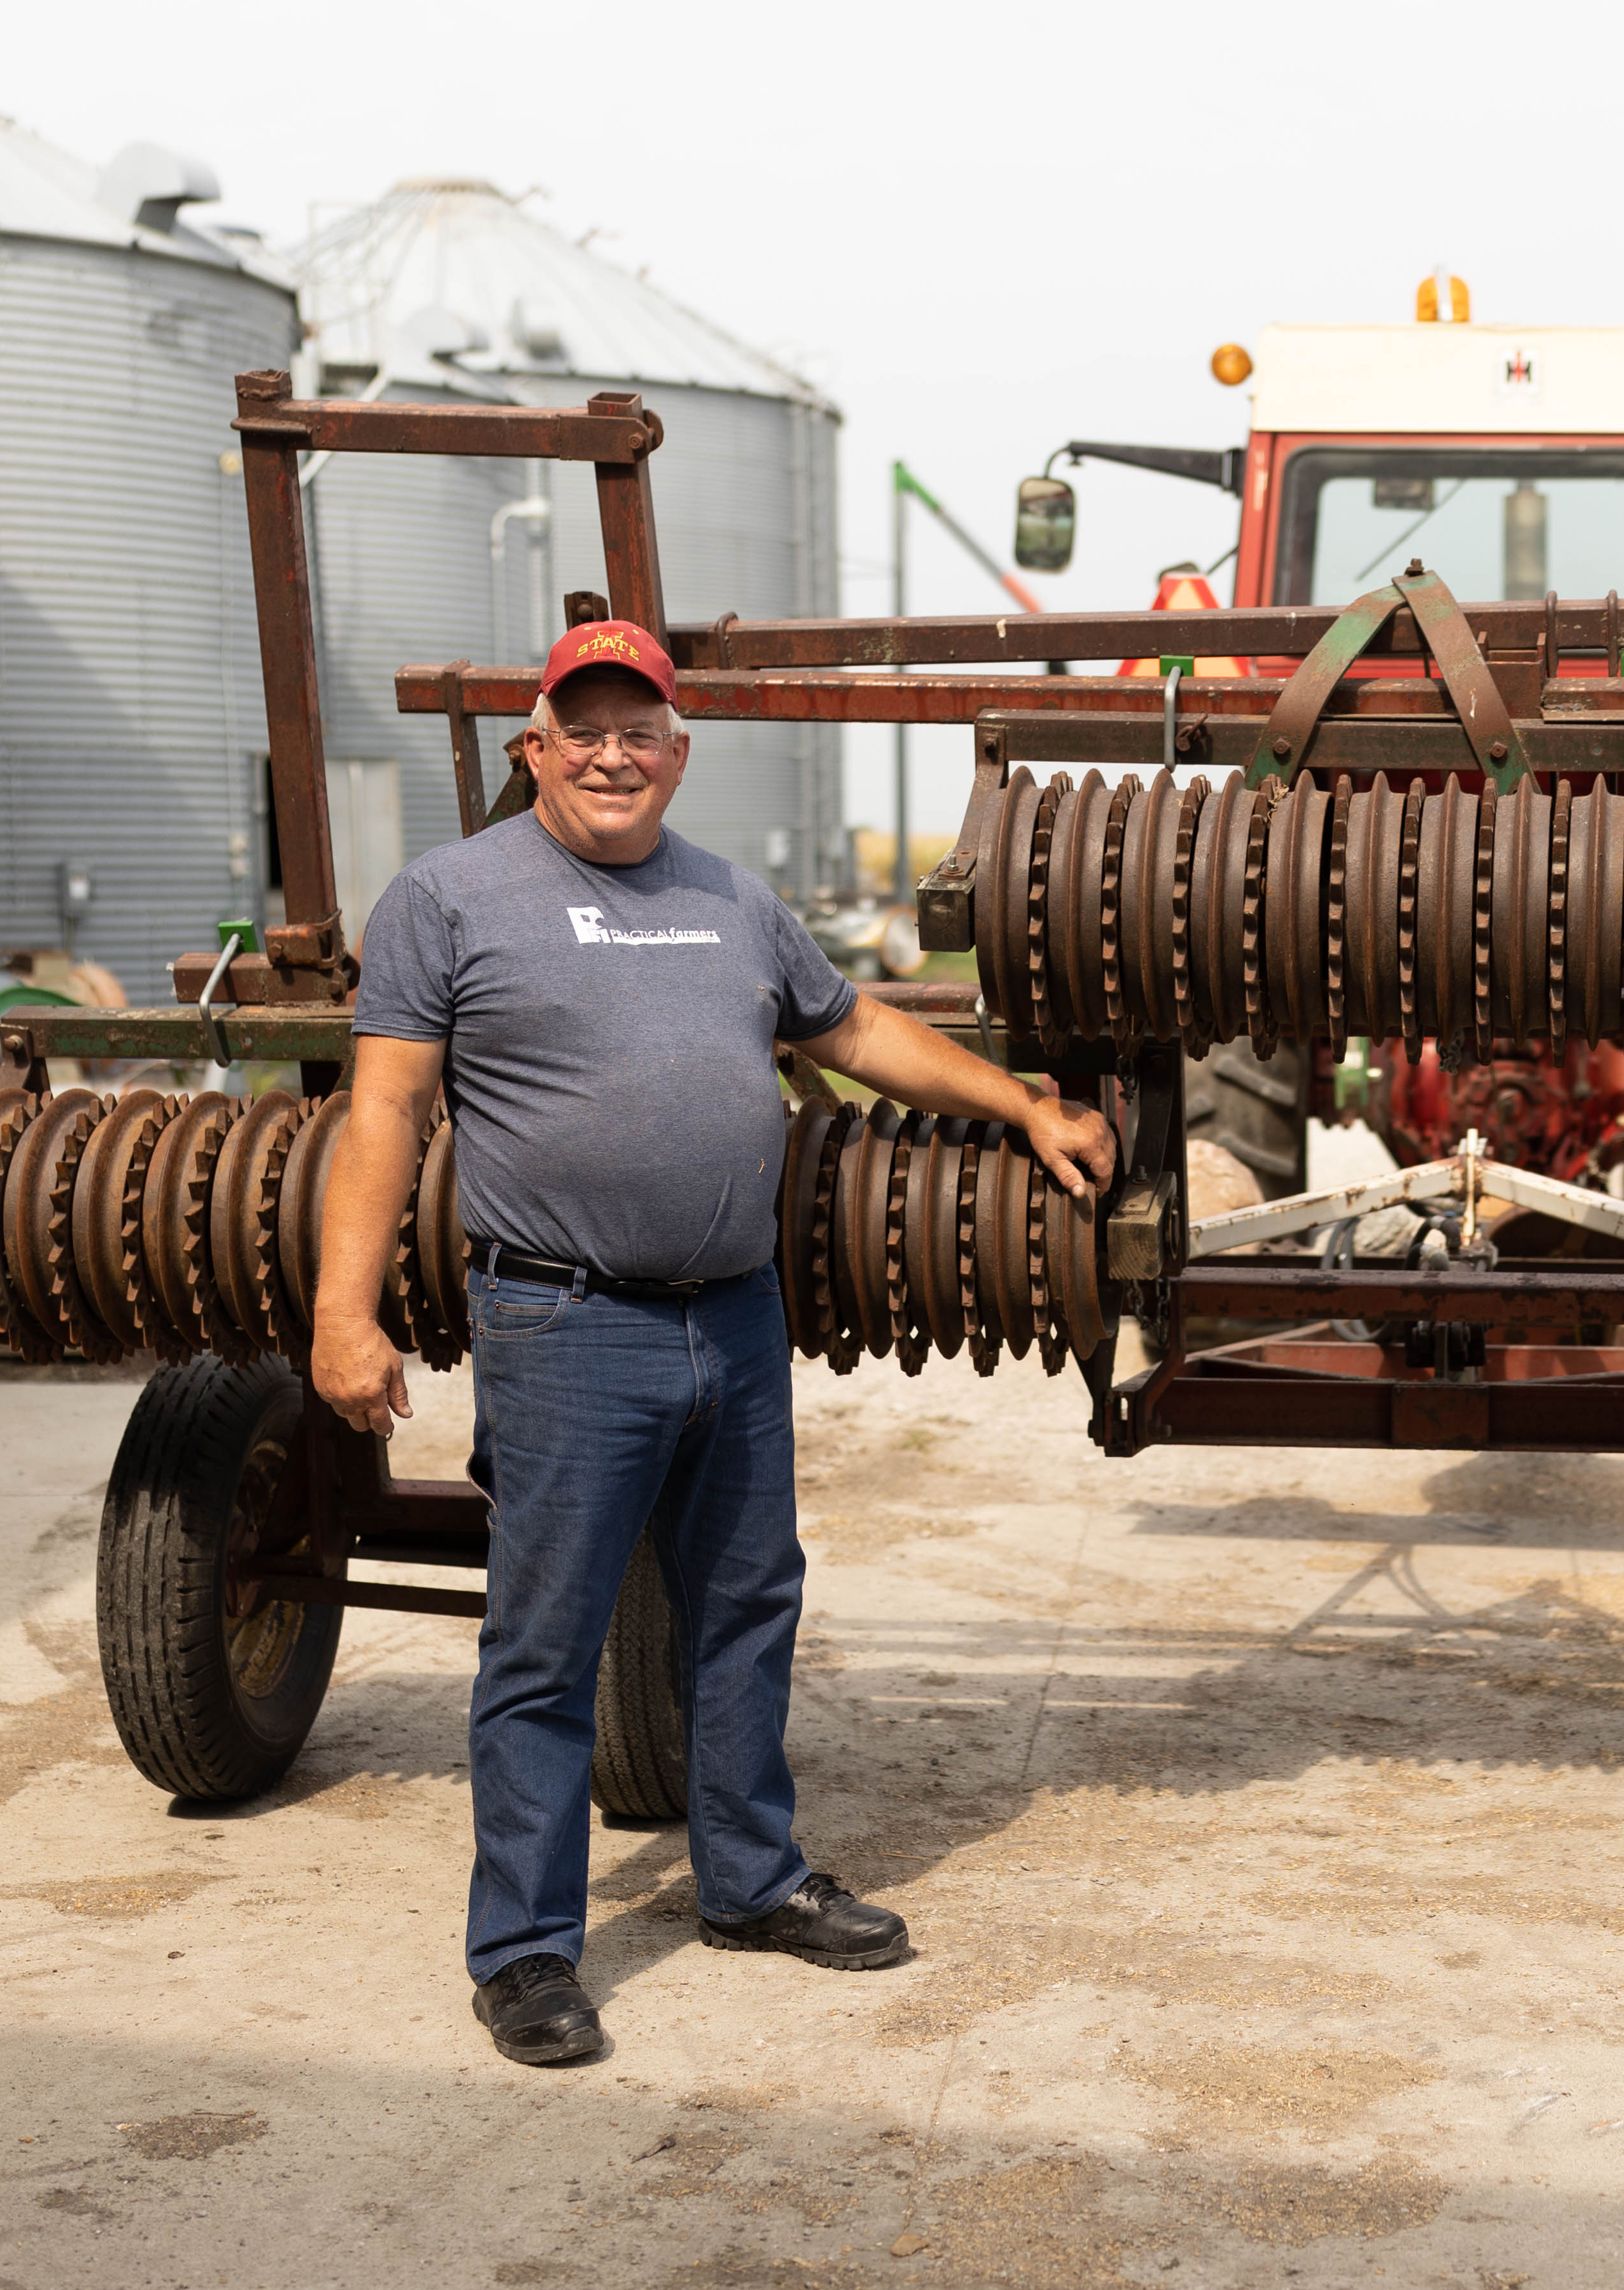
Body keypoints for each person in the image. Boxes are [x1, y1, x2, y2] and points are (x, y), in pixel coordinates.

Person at [314, 618, 1116, 2067]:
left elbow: (860, 1030)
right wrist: (342, 1311)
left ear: (676, 754)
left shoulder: (733, 898)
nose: (615, 754)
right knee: (545, 1644)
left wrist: (1021, 1106)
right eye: (587, 726)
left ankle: (748, 1881)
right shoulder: (450, 895)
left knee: (748, 1605)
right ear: (535, 747)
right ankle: (529, 1951)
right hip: (563, 1319)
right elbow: (385, 1112)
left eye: (642, 730)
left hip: (734, 1318)